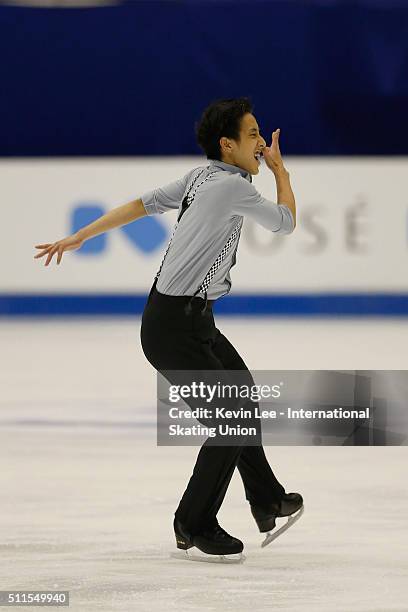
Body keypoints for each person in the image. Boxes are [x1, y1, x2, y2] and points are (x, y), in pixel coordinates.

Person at [34, 97, 303, 559]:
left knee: (242, 397)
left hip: (187, 319)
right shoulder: (230, 187)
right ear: (228, 144)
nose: (262, 142)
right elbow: (285, 223)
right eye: (254, 134)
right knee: (231, 420)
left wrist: (82, 234)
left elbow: (142, 205)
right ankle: (194, 521)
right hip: (174, 327)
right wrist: (282, 173)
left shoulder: (202, 178)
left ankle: (267, 498)